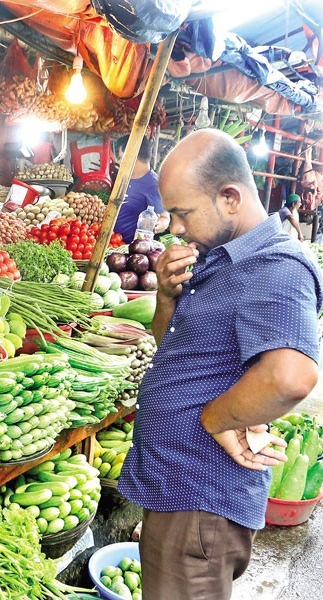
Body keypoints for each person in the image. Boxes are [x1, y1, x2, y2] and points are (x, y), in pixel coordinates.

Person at [117, 129, 322, 600]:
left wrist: (216, 417)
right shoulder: (224, 259)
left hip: (201, 503)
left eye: (184, 213)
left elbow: (290, 376)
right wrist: (166, 298)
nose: (177, 228)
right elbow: (175, 346)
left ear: (230, 197)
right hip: (180, 489)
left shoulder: (276, 266)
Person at [112, 135, 170, 242]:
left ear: (131, 155)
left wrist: (158, 225)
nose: (119, 162)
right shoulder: (125, 178)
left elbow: (165, 218)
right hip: (114, 243)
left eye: (121, 157)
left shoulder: (154, 185)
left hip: (130, 250)